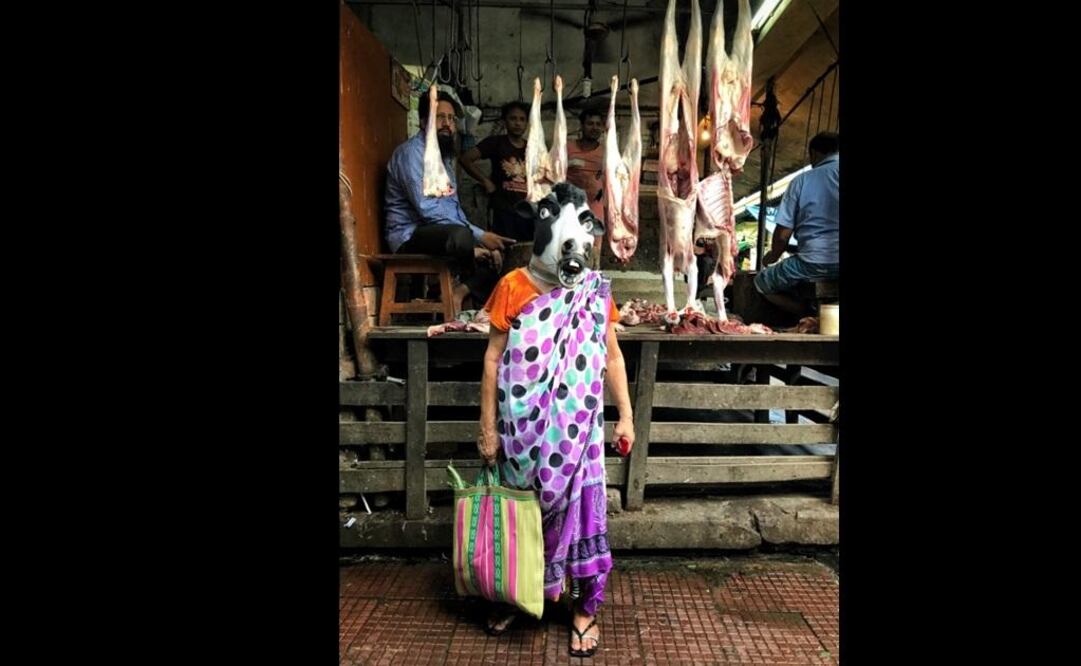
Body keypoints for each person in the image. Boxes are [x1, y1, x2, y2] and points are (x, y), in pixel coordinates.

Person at [475, 183, 634, 657]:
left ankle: (584, 609)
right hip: (519, 430)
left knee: (584, 514)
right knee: (519, 514)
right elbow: (491, 360)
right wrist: (487, 429)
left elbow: (612, 357)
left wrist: (625, 416)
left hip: (578, 431)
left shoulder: (594, 291)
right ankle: (518, 596)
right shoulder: (513, 287)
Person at [384, 89, 516, 310]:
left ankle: (458, 292)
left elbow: (454, 211)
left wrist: (481, 239)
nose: (447, 124)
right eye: (440, 117)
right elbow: (428, 211)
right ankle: (455, 280)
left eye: (451, 119)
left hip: (443, 235)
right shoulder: (410, 154)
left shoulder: (445, 158)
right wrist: (477, 239)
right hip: (409, 236)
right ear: (424, 121)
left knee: (498, 258)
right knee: (461, 237)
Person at [754, 131, 839, 316]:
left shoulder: (802, 181)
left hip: (812, 263)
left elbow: (783, 234)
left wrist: (772, 257)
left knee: (761, 283)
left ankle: (809, 316)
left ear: (814, 153)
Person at [460, 101, 532, 241]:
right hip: (503, 211)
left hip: (527, 212)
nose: (518, 123)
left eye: (522, 119)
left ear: (526, 123)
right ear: (505, 121)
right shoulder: (495, 143)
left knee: (525, 253)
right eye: (513, 118)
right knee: (503, 250)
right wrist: (485, 181)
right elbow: (465, 159)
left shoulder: (532, 148)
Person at [565, 108, 607, 269]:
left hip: (595, 207)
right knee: (570, 248)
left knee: (593, 251)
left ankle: (589, 288)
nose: (594, 127)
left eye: (598, 124)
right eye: (590, 123)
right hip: (570, 208)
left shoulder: (606, 151)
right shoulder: (568, 147)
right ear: (581, 126)